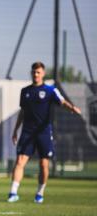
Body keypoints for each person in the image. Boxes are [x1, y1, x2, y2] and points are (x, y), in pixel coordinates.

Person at [8, 62, 81, 204]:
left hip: (44, 132)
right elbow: (22, 111)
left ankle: (40, 193)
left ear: (43, 73)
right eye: (34, 72)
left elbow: (62, 102)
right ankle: (12, 193)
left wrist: (72, 108)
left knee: (43, 164)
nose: (36, 75)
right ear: (31, 73)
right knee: (20, 161)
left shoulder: (50, 90)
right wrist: (16, 129)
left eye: (38, 72)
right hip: (27, 132)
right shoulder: (25, 91)